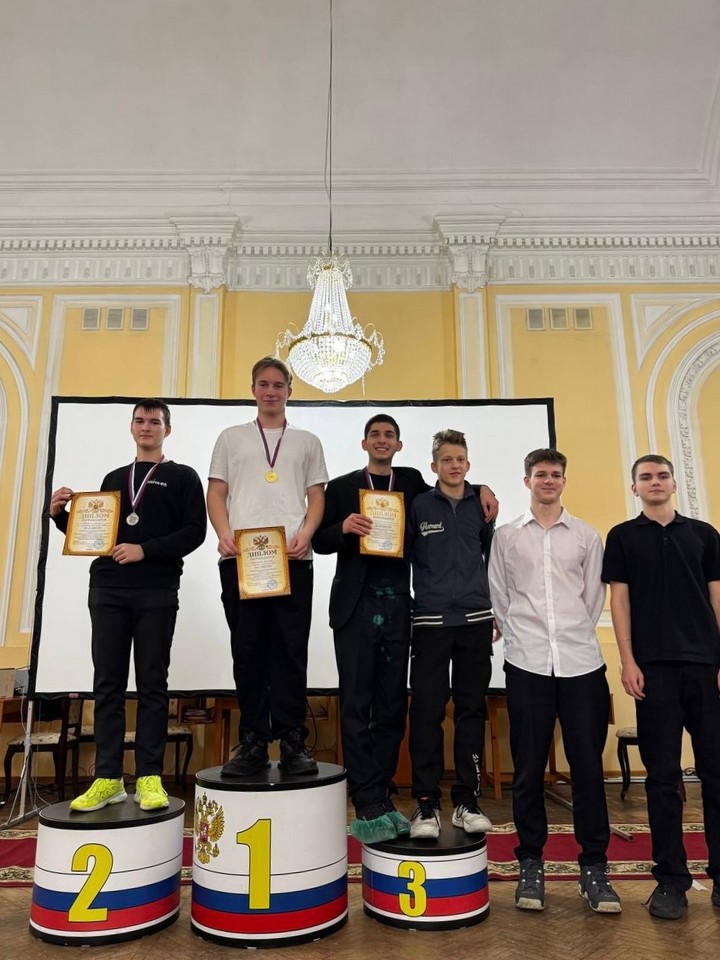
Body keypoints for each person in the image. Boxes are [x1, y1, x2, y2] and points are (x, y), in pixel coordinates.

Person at [313, 415, 498, 842]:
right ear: (364, 442)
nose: (382, 440)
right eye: (375, 435)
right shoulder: (340, 487)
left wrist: (485, 488)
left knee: (392, 707)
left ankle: (383, 791)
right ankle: (365, 798)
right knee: (356, 705)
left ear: (399, 444)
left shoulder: (412, 482)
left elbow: (453, 485)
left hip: (399, 607)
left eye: (389, 435)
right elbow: (320, 540)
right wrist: (342, 528)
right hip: (355, 606)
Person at [49, 399, 207, 812]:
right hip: (108, 589)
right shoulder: (114, 478)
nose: (146, 427)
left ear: (167, 430)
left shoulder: (183, 477)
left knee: (152, 683)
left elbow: (195, 532)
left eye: (154, 421)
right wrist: (59, 516)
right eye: (139, 420)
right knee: (108, 685)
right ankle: (108, 779)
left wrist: (145, 550)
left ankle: (150, 777)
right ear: (131, 427)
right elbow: (97, 534)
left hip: (156, 589)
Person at [488, 448, 621, 913]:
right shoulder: (506, 537)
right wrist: (523, 638)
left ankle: (594, 868)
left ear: (564, 480)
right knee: (527, 770)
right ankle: (531, 863)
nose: (548, 480)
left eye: (556, 474)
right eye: (540, 474)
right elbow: (499, 595)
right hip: (527, 663)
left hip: (580, 663)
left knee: (587, 770)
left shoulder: (586, 536)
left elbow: (592, 598)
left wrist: (569, 636)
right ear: (527, 481)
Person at [603, 454, 720, 920]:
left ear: (673, 483)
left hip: (706, 668)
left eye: (662, 475)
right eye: (646, 477)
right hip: (653, 671)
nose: (655, 482)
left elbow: (717, 596)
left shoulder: (704, 534)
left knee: (716, 774)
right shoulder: (622, 536)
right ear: (635, 487)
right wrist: (628, 661)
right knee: (663, 779)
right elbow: (620, 602)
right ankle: (671, 880)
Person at [207, 357, 328, 777]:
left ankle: (293, 741)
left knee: (291, 652)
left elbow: (316, 497)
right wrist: (223, 533)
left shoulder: (307, 441)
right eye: (264, 384)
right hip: (241, 561)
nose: (271, 391)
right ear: (253, 389)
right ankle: (254, 741)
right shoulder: (231, 437)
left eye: (278, 385)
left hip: (293, 559)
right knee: (248, 652)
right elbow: (216, 493)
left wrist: (306, 533)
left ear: (289, 391)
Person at [407, 429, 494, 840]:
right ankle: (426, 803)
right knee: (426, 712)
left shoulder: (483, 505)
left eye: (460, 459)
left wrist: (497, 611)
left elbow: (493, 561)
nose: (454, 465)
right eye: (446, 460)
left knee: (471, 710)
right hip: (430, 622)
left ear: (468, 464)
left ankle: (467, 801)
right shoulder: (419, 506)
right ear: (434, 466)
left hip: (475, 621)